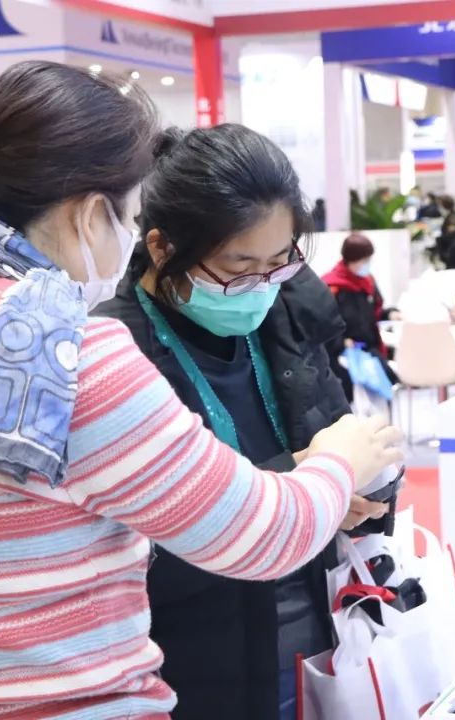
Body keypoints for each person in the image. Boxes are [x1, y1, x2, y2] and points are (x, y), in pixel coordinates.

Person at [0, 61, 403, 720]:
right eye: (126, 216)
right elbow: (262, 535)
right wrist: (339, 461)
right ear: (91, 215)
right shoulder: (72, 352)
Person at [96, 125, 391, 720]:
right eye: (239, 266)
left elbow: (339, 434)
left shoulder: (289, 314)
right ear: (162, 248)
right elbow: (131, 546)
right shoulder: (115, 353)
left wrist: (364, 484)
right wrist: (302, 484)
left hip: (322, 641)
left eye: (279, 262)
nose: (261, 285)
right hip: (197, 664)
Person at [322, 233, 400, 400]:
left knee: (389, 381)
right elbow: (325, 324)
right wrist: (342, 342)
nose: (367, 264)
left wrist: (390, 313)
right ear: (351, 259)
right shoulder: (332, 287)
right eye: (364, 260)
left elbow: (374, 312)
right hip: (344, 355)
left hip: (370, 349)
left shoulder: (368, 282)